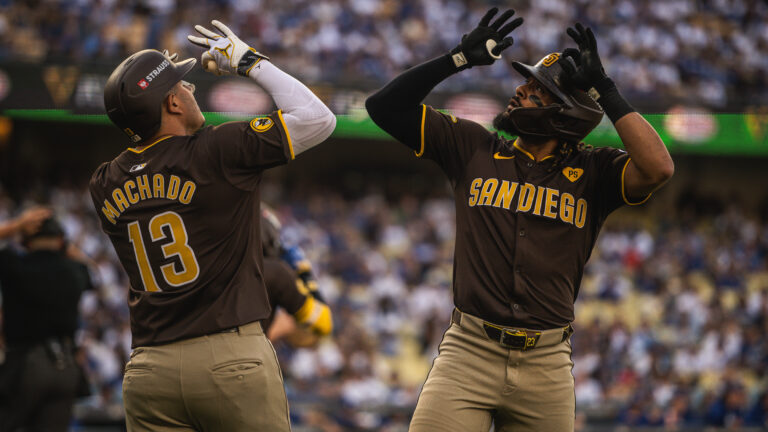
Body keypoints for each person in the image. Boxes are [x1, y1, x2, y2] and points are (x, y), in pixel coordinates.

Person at [366, 9, 673, 432]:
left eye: (536, 91)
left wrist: (604, 88)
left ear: (564, 115)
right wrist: (456, 59)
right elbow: (383, 108)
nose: (519, 91)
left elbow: (658, 168)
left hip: (546, 363)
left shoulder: (594, 172)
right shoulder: (472, 147)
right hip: (469, 350)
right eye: (527, 83)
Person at [90, 20, 335, 431]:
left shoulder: (103, 182)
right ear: (171, 104)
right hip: (229, 360)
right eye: (183, 86)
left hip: (149, 370)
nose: (192, 89)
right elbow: (318, 119)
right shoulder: (217, 150)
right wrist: (248, 63)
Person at [0, 208, 92, 432]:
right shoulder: (76, 271)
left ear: (25, 242)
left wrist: (16, 227)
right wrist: (62, 242)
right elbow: (88, 266)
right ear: (61, 241)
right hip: (66, 368)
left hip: (26, 365)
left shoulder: (14, 264)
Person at [260, 205, 332, 347]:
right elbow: (325, 323)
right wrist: (304, 273)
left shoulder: (214, 260)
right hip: (242, 358)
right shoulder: (276, 272)